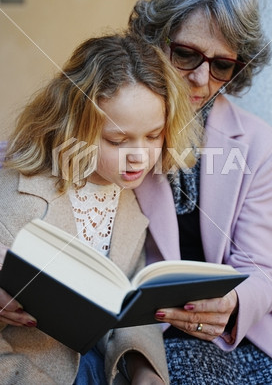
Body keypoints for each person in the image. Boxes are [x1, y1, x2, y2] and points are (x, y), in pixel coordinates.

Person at [129, 0, 272, 384]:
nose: (202, 78)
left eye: (222, 64)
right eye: (186, 54)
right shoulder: (117, 118)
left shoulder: (260, 144)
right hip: (149, 328)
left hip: (240, 329)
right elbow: (26, 155)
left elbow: (262, 266)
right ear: (156, 39)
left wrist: (233, 305)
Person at [0, 32, 200, 384]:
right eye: (117, 140)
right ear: (75, 124)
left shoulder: (134, 201)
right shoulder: (17, 197)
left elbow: (131, 308)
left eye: (154, 135)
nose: (139, 155)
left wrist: (144, 369)